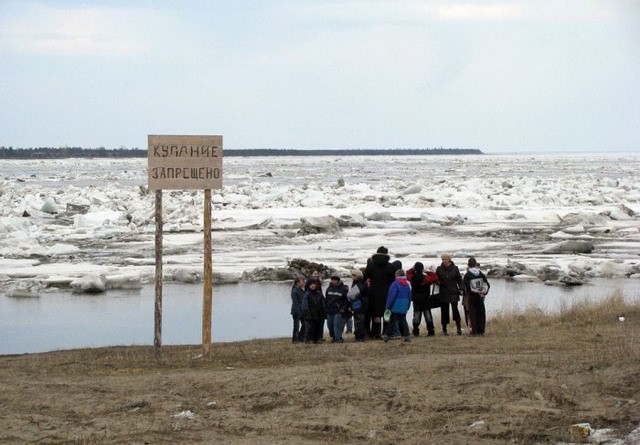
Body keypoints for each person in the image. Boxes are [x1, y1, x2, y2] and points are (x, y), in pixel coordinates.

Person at [363, 246, 401, 339]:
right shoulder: (390, 266)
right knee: (386, 313)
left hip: (374, 293)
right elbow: (394, 280)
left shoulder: (371, 265)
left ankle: (376, 334)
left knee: (376, 314)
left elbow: (364, 277)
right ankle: (386, 332)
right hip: (387, 293)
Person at [406, 262, 439, 337]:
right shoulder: (426, 279)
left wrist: (412, 269)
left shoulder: (412, 278)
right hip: (426, 299)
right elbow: (434, 276)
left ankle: (416, 331)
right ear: (422, 268)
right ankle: (431, 331)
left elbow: (407, 273)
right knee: (427, 315)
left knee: (416, 315)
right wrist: (426, 271)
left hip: (416, 299)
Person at [435, 253, 464, 335]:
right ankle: (444, 329)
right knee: (444, 311)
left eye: (445, 259)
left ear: (449, 259)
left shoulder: (455, 268)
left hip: (453, 292)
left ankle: (458, 328)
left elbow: (459, 279)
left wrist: (461, 288)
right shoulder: (439, 269)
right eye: (443, 259)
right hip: (443, 292)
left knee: (455, 310)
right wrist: (438, 282)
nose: (444, 261)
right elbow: (436, 279)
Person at [383, 269, 412, 343]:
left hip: (395, 305)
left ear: (396, 275)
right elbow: (409, 296)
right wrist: (408, 306)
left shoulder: (394, 284)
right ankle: (406, 336)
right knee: (403, 321)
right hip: (404, 305)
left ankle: (386, 336)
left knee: (392, 322)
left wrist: (388, 307)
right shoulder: (407, 285)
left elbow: (391, 296)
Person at [463, 257, 490, 336]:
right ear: (475, 264)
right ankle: (481, 331)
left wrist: (473, 291)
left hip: (471, 296)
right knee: (481, 313)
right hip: (480, 296)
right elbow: (487, 284)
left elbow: (467, 287)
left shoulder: (467, 275)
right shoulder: (481, 273)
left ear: (468, 265)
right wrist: (483, 292)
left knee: (472, 313)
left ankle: (474, 331)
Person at [324, 274, 350, 343]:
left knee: (337, 325)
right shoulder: (329, 288)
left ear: (338, 280)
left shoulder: (343, 289)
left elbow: (346, 300)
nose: (334, 281)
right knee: (330, 325)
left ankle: (338, 339)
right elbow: (326, 299)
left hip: (338, 310)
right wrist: (326, 307)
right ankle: (334, 337)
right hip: (330, 310)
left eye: (335, 279)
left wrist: (343, 309)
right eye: (333, 279)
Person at [347, 269, 369, 342]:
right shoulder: (363, 283)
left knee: (358, 322)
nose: (352, 277)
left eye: (353, 275)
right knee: (360, 322)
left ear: (356, 276)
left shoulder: (358, 285)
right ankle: (359, 337)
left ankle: (360, 337)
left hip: (359, 305)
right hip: (362, 305)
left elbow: (351, 296)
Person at [301, 278, 325, 343]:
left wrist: (324, 312)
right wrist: (307, 313)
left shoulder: (319, 293)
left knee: (319, 327)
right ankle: (308, 340)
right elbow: (304, 305)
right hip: (310, 314)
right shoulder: (307, 294)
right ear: (308, 285)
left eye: (314, 284)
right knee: (310, 328)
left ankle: (318, 339)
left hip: (319, 314)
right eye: (311, 284)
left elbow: (323, 302)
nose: (313, 285)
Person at [290, 276, 306, 343]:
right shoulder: (295, 291)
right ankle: (295, 339)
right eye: (302, 282)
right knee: (296, 326)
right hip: (296, 311)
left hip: (302, 310)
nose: (303, 283)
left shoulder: (301, 290)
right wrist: (298, 312)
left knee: (305, 324)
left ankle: (301, 337)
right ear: (297, 283)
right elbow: (295, 303)